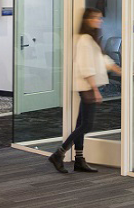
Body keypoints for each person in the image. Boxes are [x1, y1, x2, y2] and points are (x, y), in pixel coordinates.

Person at [50, 9, 120, 174]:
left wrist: (121, 71)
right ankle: (59, 153)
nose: (99, 20)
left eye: (100, 18)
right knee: (87, 125)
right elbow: (85, 67)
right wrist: (95, 90)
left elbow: (103, 59)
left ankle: (79, 159)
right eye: (96, 18)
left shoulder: (90, 39)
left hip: (87, 86)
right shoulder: (84, 40)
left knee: (82, 124)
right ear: (87, 20)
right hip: (87, 86)